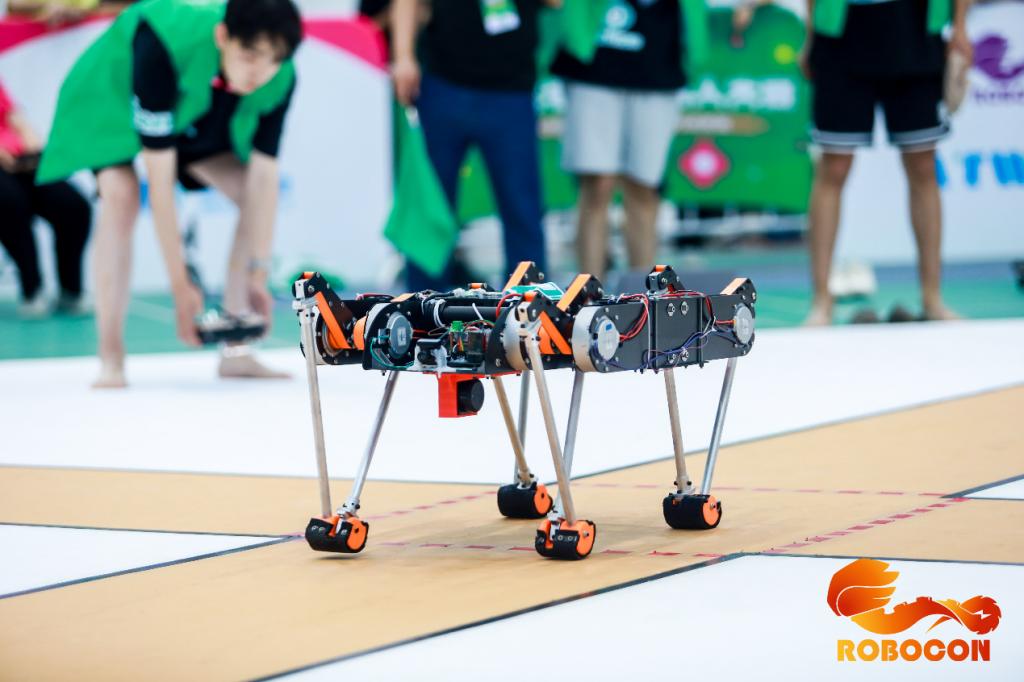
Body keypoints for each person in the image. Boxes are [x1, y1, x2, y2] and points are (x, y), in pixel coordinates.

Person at [37, 0, 302, 387]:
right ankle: (111, 356)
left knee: (249, 190)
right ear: (222, 36)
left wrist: (258, 274)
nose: (258, 72)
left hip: (191, 102)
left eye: (271, 61)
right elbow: (159, 181)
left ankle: (237, 346)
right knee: (121, 194)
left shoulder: (279, 74)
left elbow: (264, 176)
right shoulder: (162, 44)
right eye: (248, 56)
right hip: (111, 95)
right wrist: (180, 288)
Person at [801, 0, 972, 325]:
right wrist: (810, 34)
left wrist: (960, 28)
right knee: (833, 166)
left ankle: (932, 298)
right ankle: (822, 301)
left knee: (923, 165)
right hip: (841, 33)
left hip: (915, 31)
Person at [390, 0, 554, 290]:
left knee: (522, 208)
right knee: (431, 204)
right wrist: (403, 56)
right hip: (444, 83)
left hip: (512, 90)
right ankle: (421, 304)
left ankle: (529, 303)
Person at [549, 0, 707, 281]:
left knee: (643, 187)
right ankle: (589, 291)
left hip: (658, 63)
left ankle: (641, 293)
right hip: (595, 63)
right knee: (597, 184)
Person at [0, 80, 91, 317]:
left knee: (73, 206)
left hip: (23, 161)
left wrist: (33, 144)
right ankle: (32, 289)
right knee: (10, 202)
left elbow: (13, 116)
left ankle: (71, 290)